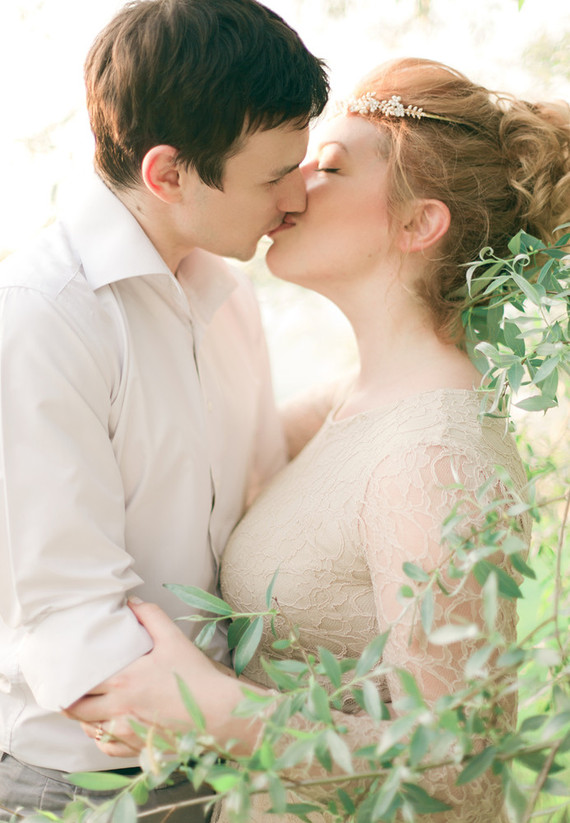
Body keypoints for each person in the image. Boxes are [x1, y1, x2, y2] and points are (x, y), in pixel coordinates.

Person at [67, 58, 570, 822]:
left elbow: (460, 767)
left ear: (417, 223)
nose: (294, 184)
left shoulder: (435, 457)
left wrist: (209, 706)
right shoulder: (354, 398)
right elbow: (180, 458)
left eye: (330, 165)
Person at [0, 0, 329, 819]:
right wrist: (255, 727)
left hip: (216, 766)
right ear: (168, 174)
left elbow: (254, 493)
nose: (298, 198)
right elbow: (70, 622)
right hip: (75, 786)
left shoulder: (226, 295)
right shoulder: (43, 319)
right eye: (272, 176)